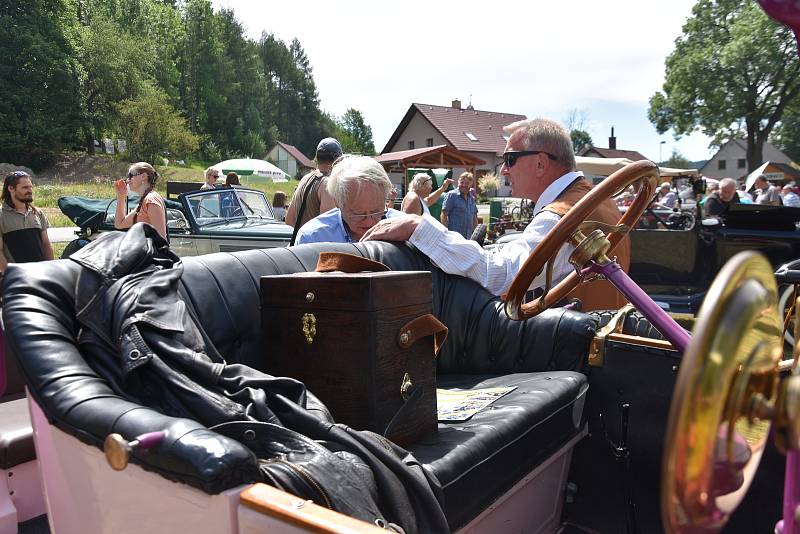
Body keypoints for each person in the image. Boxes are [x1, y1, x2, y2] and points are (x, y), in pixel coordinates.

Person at [362, 117, 630, 311]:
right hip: (606, 339)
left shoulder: (560, 218)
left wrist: (418, 227)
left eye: (510, 159)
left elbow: (497, 275)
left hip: (577, 357)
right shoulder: (602, 201)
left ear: (540, 163)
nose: (503, 170)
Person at [294, 155, 403, 245]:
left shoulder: (404, 229)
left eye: (376, 211)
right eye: (358, 214)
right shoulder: (313, 238)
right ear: (337, 202)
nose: (369, 222)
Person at [285, 138, 343, 235]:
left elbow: (289, 220)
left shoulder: (304, 179)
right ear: (338, 160)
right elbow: (327, 228)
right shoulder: (327, 184)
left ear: (317, 157)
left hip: (297, 245)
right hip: (313, 247)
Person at [0, 170, 54, 271]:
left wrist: (51, 269)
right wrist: (8, 276)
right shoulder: (1, 216)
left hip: (40, 275)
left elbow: (46, 244)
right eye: (25, 187)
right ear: (11, 188)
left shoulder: (38, 213)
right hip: (17, 279)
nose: (30, 191)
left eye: (30, 187)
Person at [113, 162, 167, 239]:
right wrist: (121, 196)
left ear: (143, 176)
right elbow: (119, 224)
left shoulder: (151, 200)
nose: (128, 180)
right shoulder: (144, 200)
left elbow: (161, 239)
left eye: (131, 176)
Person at [441, 172, 479, 239]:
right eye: (461, 182)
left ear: (471, 184)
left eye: (467, 183)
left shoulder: (472, 198)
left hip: (469, 237)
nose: (463, 185)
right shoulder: (451, 195)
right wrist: (446, 234)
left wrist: (477, 235)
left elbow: (474, 217)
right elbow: (444, 215)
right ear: (458, 182)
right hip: (454, 237)